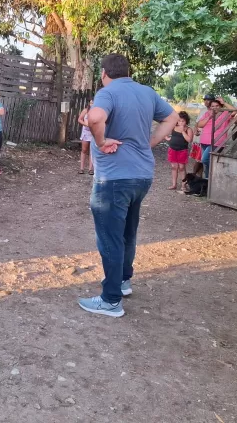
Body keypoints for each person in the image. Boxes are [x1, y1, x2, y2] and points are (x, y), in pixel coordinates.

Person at [78, 54, 178, 317]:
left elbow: (95, 118)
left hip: (113, 177)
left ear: (103, 73)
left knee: (110, 237)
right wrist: (150, 142)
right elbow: (172, 117)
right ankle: (122, 282)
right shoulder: (146, 92)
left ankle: (111, 300)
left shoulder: (107, 92)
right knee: (127, 232)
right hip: (142, 175)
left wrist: (100, 143)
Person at [197, 95, 237, 179]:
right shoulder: (207, 114)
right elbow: (200, 124)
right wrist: (209, 116)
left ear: (220, 106)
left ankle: (215, 173)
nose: (214, 108)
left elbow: (235, 111)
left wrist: (224, 102)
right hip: (204, 141)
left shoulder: (225, 114)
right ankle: (208, 183)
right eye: (212, 106)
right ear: (210, 107)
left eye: (217, 106)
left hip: (217, 142)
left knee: (205, 160)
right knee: (206, 163)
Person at [166, 111, 194, 190]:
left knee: (181, 167)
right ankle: (174, 184)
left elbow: (189, 140)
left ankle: (183, 184)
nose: (181, 122)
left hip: (182, 150)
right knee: (174, 167)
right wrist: (167, 138)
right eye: (179, 120)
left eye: (183, 121)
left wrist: (182, 131)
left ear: (186, 121)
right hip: (172, 149)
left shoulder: (188, 129)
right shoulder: (174, 127)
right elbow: (165, 132)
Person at [77, 99, 95, 175]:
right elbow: (79, 119)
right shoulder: (85, 110)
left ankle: (91, 169)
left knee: (92, 151)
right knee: (84, 150)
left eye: (93, 103)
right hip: (86, 132)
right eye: (91, 103)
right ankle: (81, 168)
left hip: (94, 133)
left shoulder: (98, 112)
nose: (92, 104)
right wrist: (85, 124)